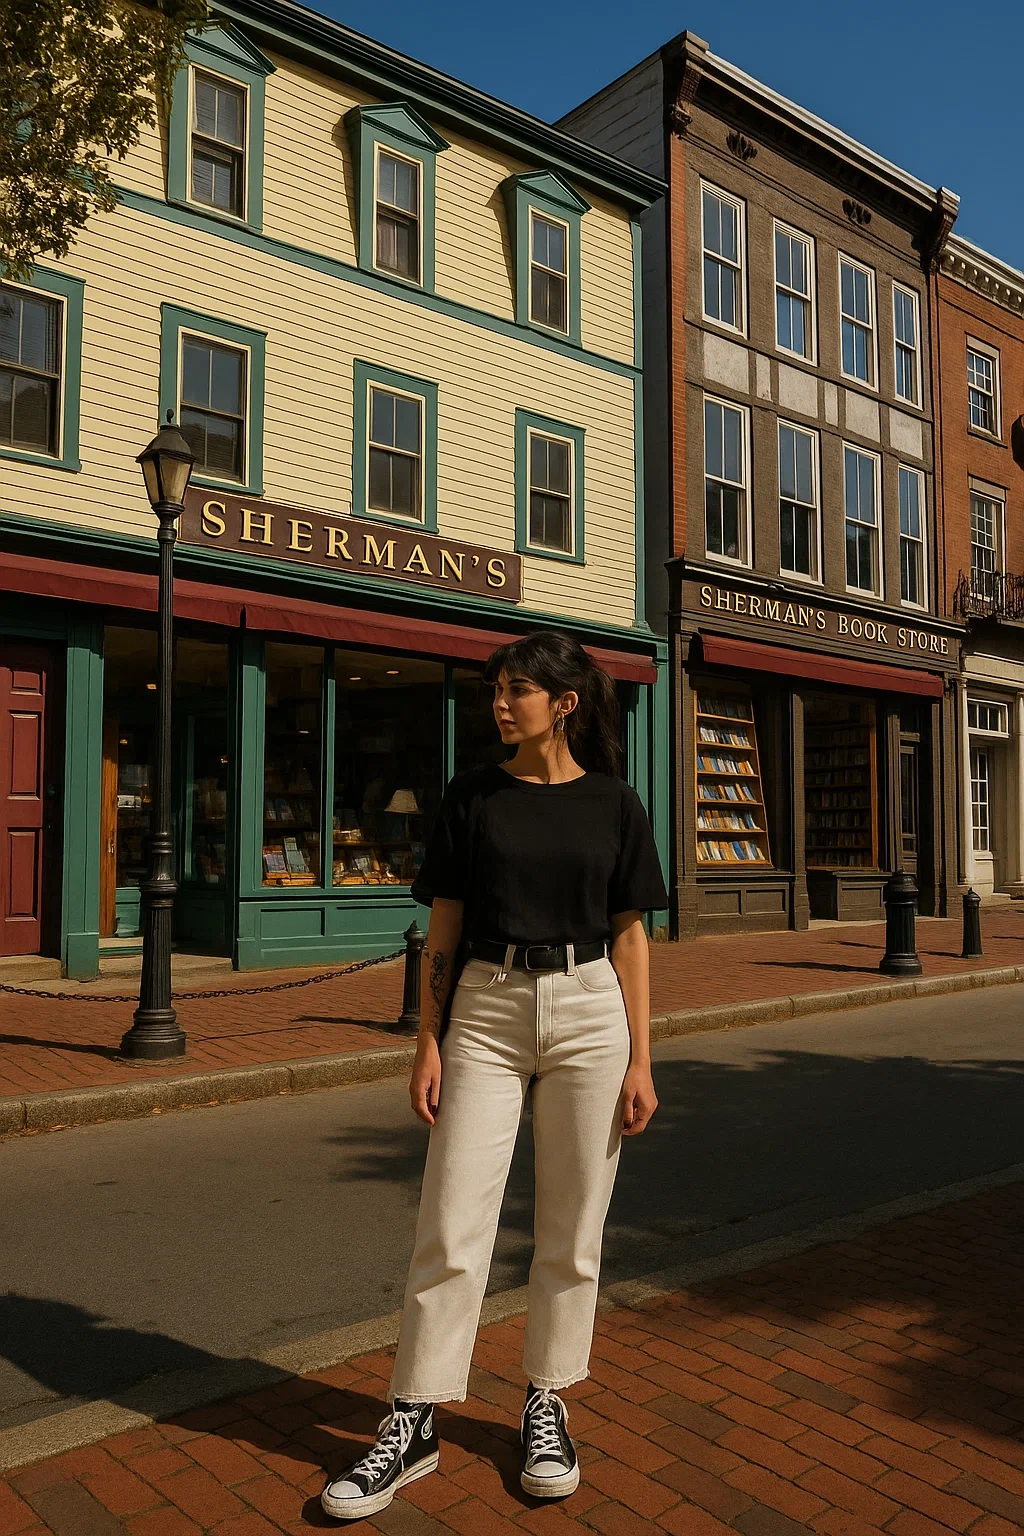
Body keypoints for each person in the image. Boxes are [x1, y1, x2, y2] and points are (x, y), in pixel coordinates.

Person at [321, 630, 667, 1522]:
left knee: (572, 1225)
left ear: (565, 704)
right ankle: (415, 1416)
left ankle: (545, 1400)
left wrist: (641, 1056)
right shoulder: (472, 797)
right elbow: (444, 926)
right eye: (495, 691)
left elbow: (630, 936)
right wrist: (427, 1037)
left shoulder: (616, 804)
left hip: (591, 1007)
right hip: (486, 1004)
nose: (500, 704)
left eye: (516, 691)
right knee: (451, 1217)